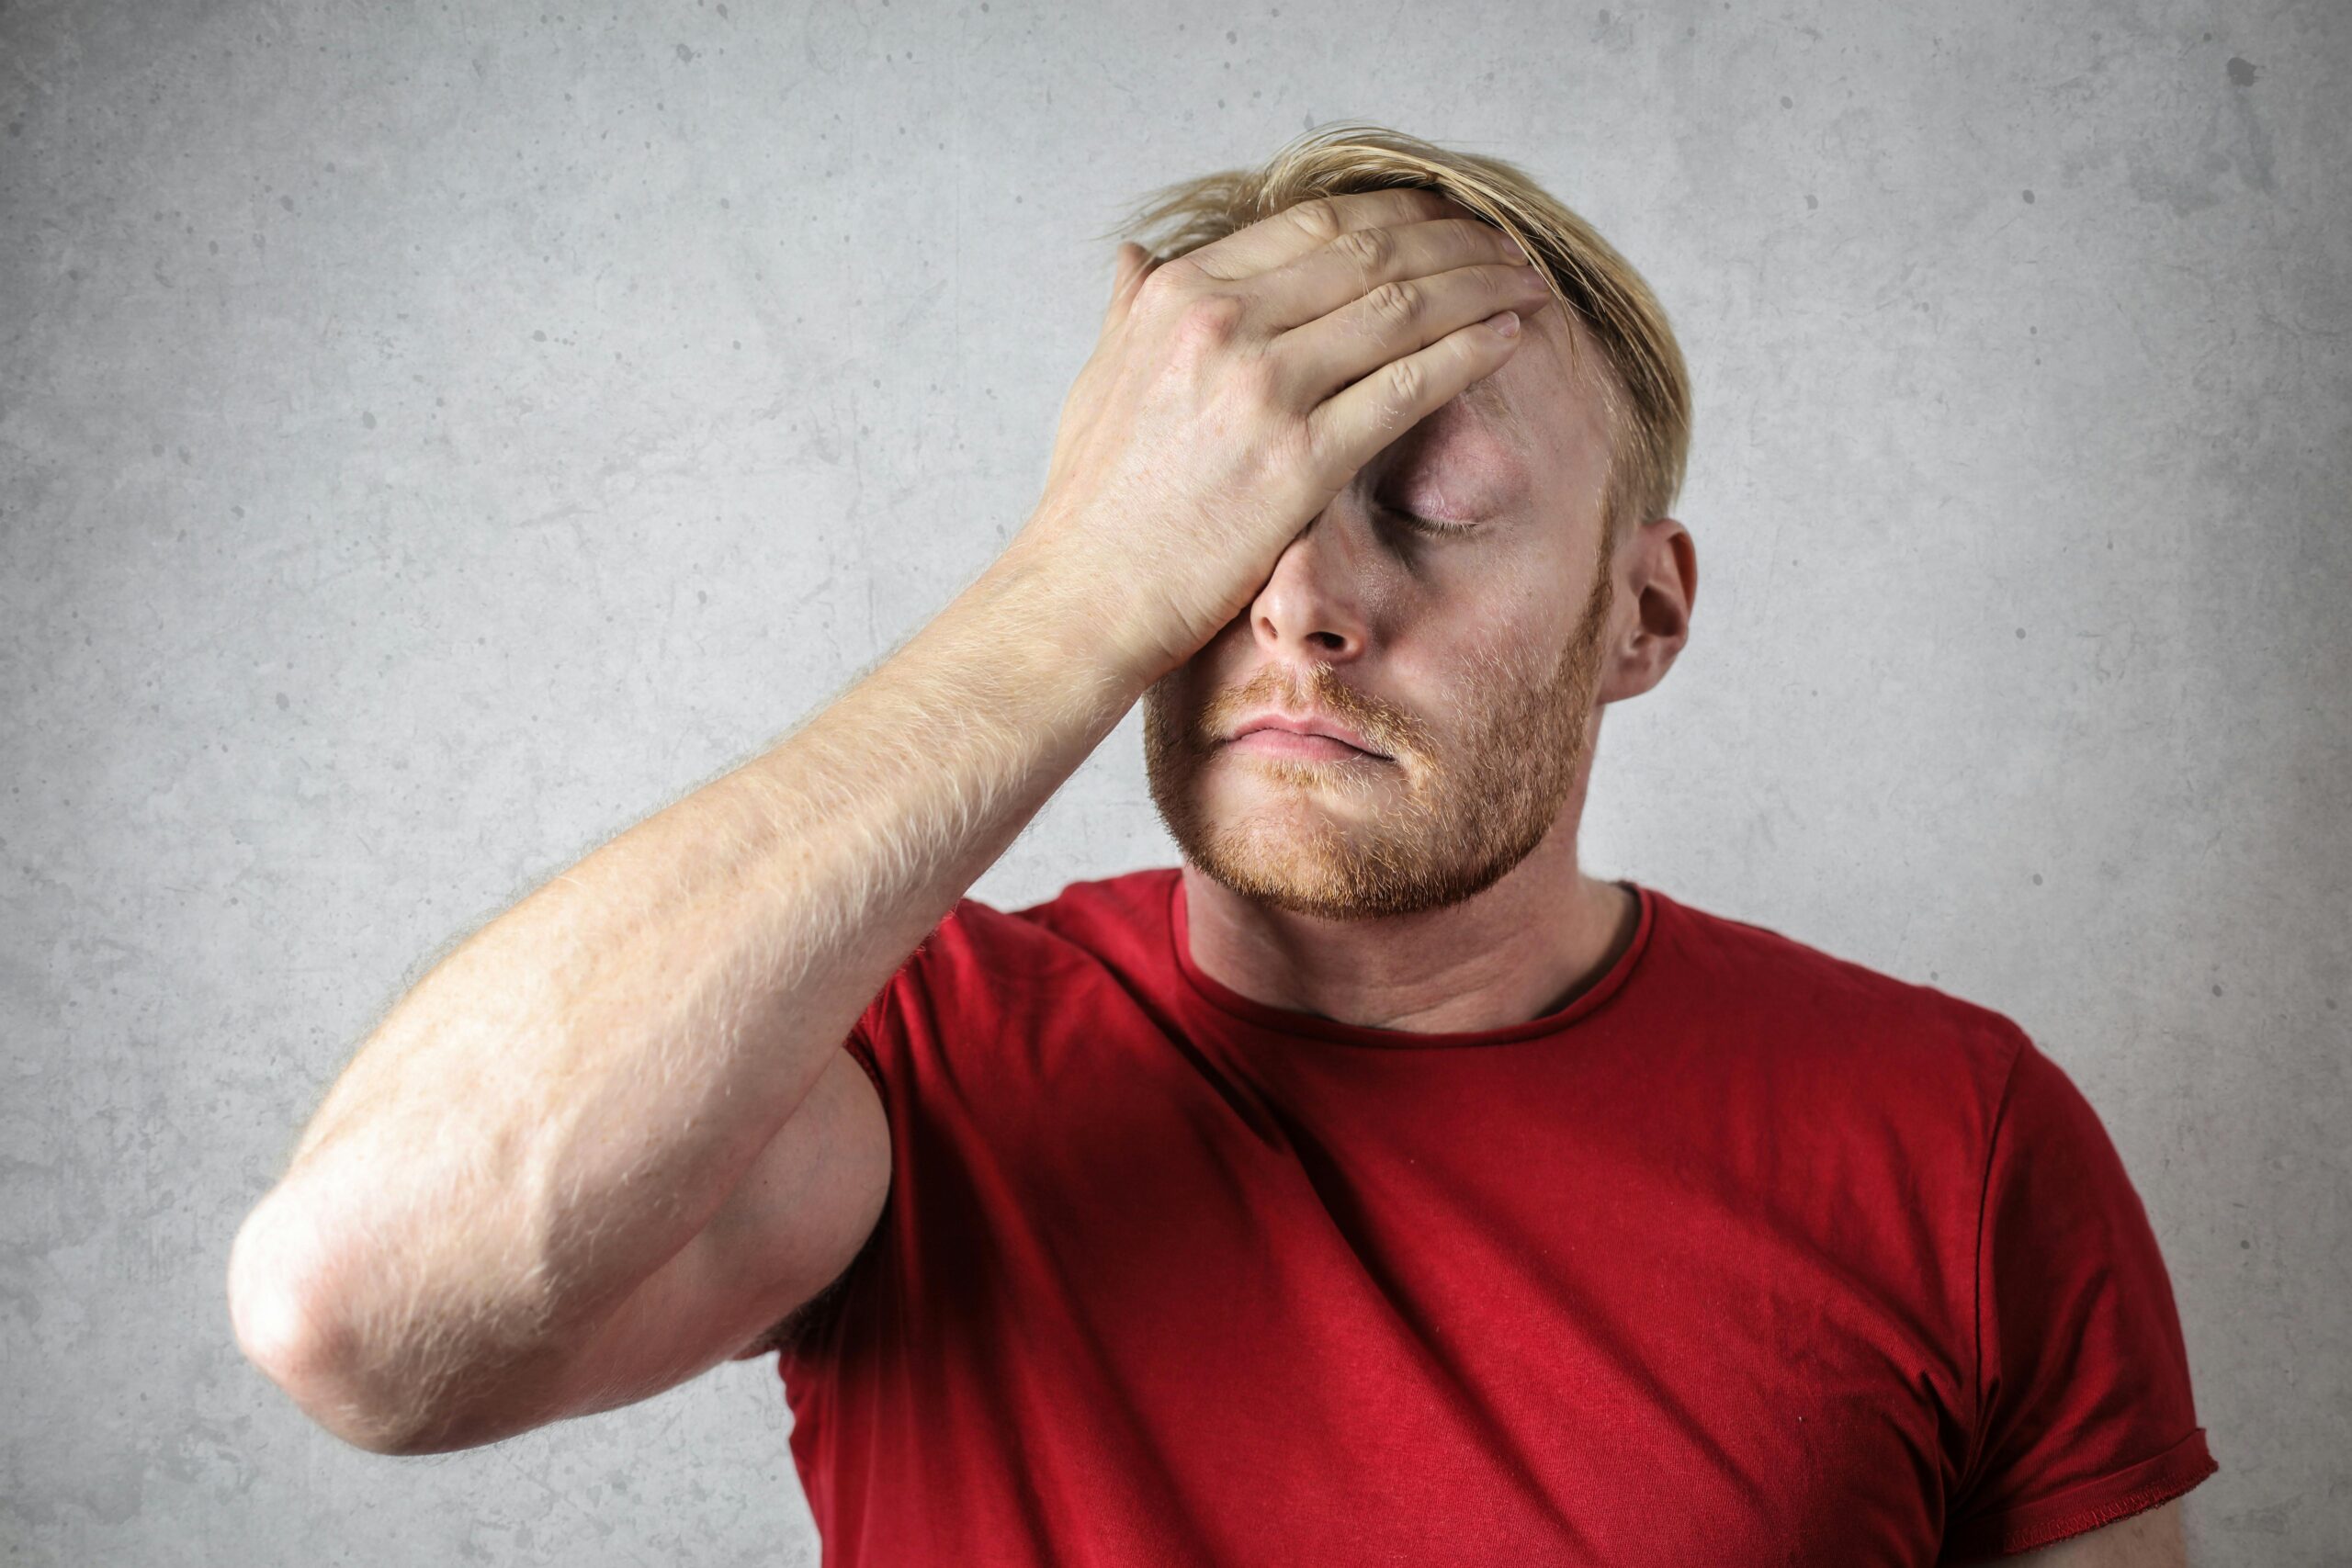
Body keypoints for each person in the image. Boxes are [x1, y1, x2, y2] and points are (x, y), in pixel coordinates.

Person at [228, 125, 2217, 1564]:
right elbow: (356, 1312)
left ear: (1643, 613)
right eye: (1219, 516)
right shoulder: (902, 1069)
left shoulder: (1952, 1132)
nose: (1298, 601)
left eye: (1431, 501)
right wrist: (1071, 590)